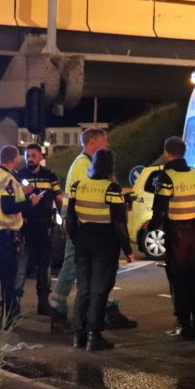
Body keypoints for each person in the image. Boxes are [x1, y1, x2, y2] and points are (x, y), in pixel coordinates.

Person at [50, 128, 138, 333]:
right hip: (84, 228)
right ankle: (59, 311)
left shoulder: (84, 163)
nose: (107, 145)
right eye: (104, 141)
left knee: (91, 273)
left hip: (81, 227)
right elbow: (94, 194)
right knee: (76, 268)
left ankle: (104, 310)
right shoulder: (84, 166)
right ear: (91, 143)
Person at [66, 148, 133, 351]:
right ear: (110, 166)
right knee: (99, 290)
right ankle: (94, 336)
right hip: (104, 242)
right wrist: (127, 249)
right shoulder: (112, 189)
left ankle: (78, 335)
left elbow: (70, 218)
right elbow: (119, 224)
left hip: (83, 240)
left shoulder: (79, 186)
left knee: (84, 289)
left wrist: (76, 238)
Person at [147, 136, 195, 340]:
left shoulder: (166, 178)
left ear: (167, 154)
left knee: (179, 280)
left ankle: (185, 326)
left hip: (177, 235)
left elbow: (160, 211)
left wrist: (152, 228)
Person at [0, 145, 43, 326]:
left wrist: (20, 191)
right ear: (15, 160)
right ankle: (8, 314)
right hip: (4, 234)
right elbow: (7, 207)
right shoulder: (8, 179)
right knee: (8, 276)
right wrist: (31, 202)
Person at [15, 143, 60, 316]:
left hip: (44, 226)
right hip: (24, 226)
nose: (30, 159)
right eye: (28, 155)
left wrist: (60, 221)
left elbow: (58, 198)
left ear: (41, 157)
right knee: (21, 266)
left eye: (34, 155)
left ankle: (43, 302)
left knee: (45, 266)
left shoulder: (50, 175)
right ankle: (15, 303)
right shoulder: (19, 175)